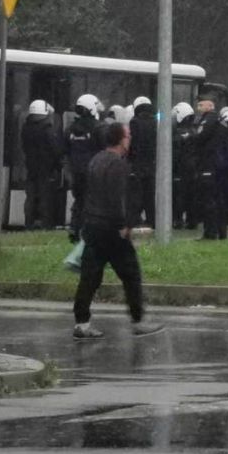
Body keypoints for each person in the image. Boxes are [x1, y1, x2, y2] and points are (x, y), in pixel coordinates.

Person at [71, 122, 164, 339]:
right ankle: (138, 320)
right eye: (128, 135)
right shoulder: (119, 165)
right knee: (131, 273)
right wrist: (124, 225)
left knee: (90, 277)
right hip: (112, 229)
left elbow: (84, 193)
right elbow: (118, 198)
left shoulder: (95, 160)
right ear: (122, 140)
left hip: (93, 226)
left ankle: (82, 323)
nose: (130, 139)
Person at [65, 94, 102, 243]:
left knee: (79, 200)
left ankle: (75, 227)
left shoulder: (71, 129)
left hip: (76, 171)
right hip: (93, 171)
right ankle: (90, 231)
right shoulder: (98, 128)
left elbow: (64, 150)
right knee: (93, 202)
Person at [20, 99, 62, 229]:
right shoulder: (47, 129)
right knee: (45, 199)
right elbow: (55, 149)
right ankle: (46, 225)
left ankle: (29, 223)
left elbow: (24, 147)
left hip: (31, 168)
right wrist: (58, 165)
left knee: (30, 198)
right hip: (46, 169)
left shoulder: (25, 128)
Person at [191, 97, 228, 240]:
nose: (198, 108)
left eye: (201, 105)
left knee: (208, 200)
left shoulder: (209, 120)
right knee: (218, 199)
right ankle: (221, 231)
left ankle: (210, 232)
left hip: (208, 163)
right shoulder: (220, 121)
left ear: (209, 106)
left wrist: (191, 137)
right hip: (218, 164)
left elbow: (200, 137)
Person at [127, 96, 157, 228]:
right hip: (151, 162)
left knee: (135, 194)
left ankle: (134, 220)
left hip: (137, 162)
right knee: (149, 194)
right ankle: (152, 219)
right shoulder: (156, 121)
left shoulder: (134, 122)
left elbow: (132, 143)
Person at [171, 102, 197, 229]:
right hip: (192, 167)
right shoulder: (194, 131)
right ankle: (192, 220)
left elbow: (175, 153)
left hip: (180, 168)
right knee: (191, 194)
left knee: (179, 195)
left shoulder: (178, 134)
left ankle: (178, 219)